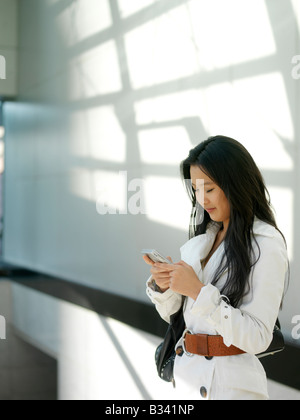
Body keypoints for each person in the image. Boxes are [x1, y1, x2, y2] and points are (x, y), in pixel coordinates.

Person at [143, 135, 289, 400]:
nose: (202, 200)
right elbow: (182, 318)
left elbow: (258, 337)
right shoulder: (203, 241)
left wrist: (198, 291)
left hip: (230, 388)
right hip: (187, 378)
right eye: (196, 190)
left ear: (236, 184)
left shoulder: (266, 242)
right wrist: (167, 287)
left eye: (209, 189)